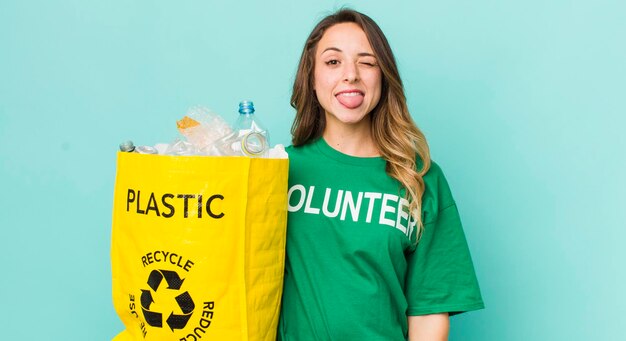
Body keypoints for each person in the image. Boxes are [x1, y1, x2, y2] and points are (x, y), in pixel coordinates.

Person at [278, 8, 484, 341]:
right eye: (333, 62)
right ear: (311, 78)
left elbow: (429, 311)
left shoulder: (420, 178)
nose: (350, 75)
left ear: (383, 77)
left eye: (367, 62)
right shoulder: (278, 171)